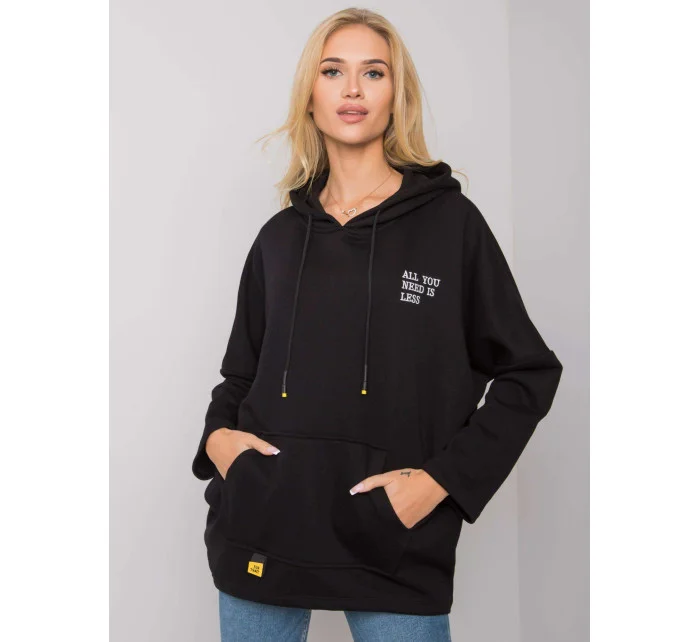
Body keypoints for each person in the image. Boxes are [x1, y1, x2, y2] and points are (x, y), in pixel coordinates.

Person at [191, 7, 563, 642]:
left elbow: (529, 373)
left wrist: (440, 483)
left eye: (374, 72)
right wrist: (218, 443)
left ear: (397, 96)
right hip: (263, 531)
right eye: (333, 71)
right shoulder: (279, 238)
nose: (353, 89)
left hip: (394, 544)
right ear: (310, 95)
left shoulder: (452, 226)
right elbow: (240, 375)